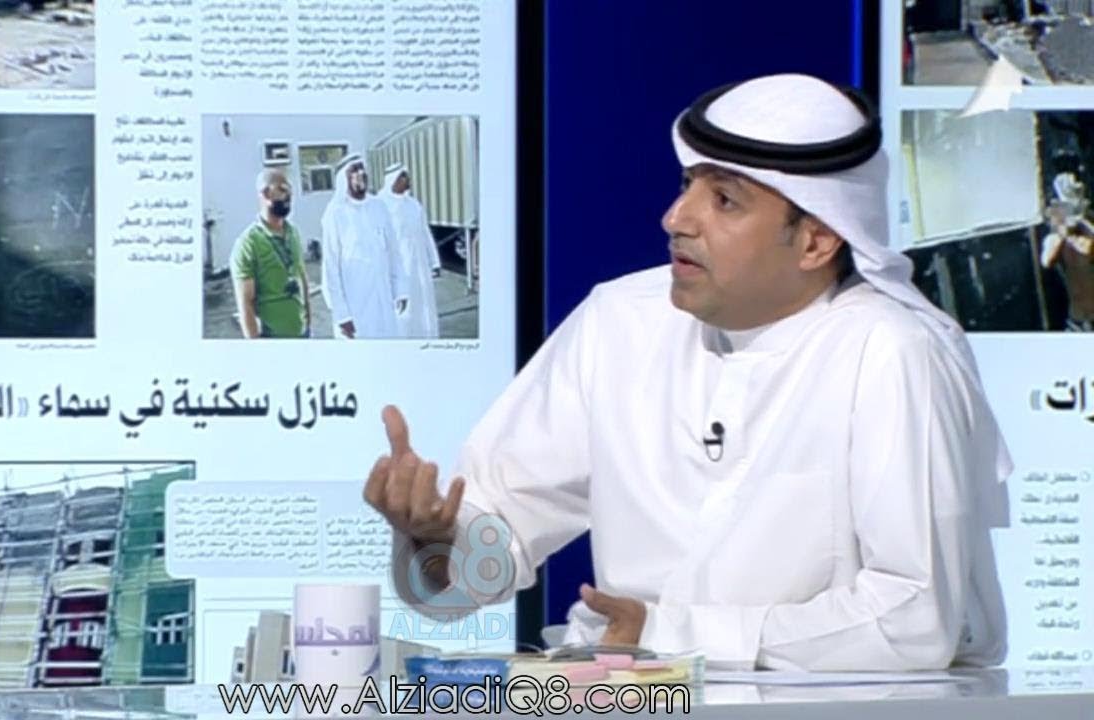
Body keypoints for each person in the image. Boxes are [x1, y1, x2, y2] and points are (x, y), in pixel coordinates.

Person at [364, 74, 1013, 672]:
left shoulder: (890, 352)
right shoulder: (619, 321)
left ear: (817, 241)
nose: (675, 218)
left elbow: (914, 620)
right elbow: (483, 556)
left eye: (724, 200)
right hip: (624, 698)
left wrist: (667, 634)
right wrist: (434, 542)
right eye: (687, 186)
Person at [320, 154, 408, 339]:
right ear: (344, 178)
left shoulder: (379, 207)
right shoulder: (335, 213)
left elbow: (393, 252)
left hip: (383, 299)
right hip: (354, 307)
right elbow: (330, 268)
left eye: (362, 169)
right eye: (354, 170)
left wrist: (400, 289)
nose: (361, 173)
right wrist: (341, 314)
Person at [230, 167, 311, 338]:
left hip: (303, 334)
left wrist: (308, 321)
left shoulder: (293, 232)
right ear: (266, 194)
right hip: (273, 340)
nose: (289, 196)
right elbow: (245, 304)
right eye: (282, 190)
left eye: (290, 190)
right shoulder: (248, 243)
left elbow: (302, 277)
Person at [381, 162, 442, 338]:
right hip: (399, 270)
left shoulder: (414, 205)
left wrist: (434, 262)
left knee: (424, 309)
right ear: (394, 180)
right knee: (403, 315)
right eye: (404, 176)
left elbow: (425, 233)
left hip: (420, 267)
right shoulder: (381, 205)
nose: (408, 180)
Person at [1040, 170, 1093, 332]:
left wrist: (1082, 221)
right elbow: (1046, 260)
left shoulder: (1088, 231)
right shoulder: (1056, 238)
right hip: (1076, 319)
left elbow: (1087, 248)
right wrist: (1061, 230)